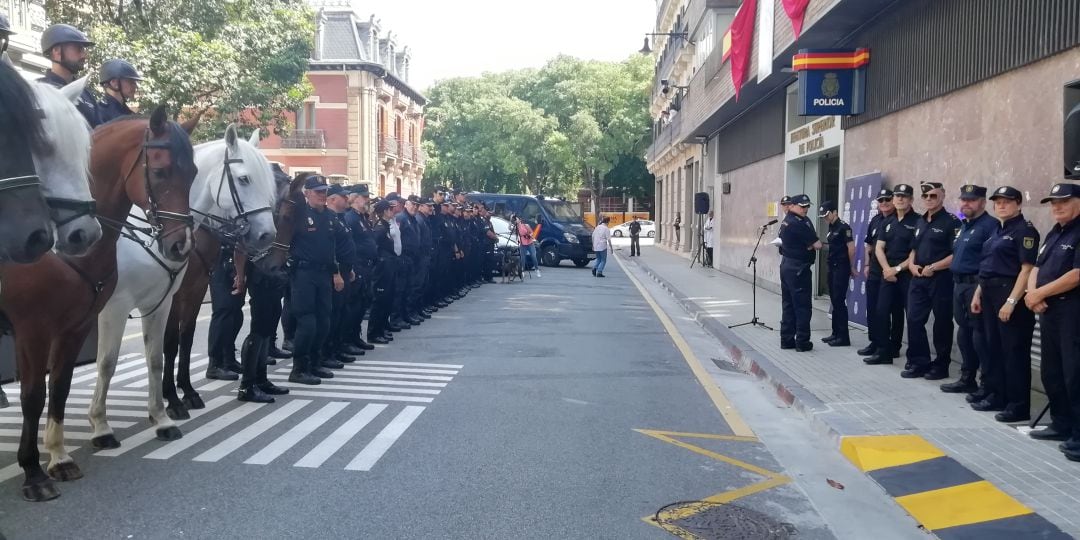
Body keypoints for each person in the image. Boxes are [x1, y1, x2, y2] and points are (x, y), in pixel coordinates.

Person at [970, 185, 1038, 423]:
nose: (1001, 205)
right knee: (993, 348)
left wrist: (1011, 301)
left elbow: (1027, 269)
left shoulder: (1025, 231)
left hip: (1010, 294)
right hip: (989, 292)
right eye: (997, 201)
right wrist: (978, 292)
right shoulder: (996, 231)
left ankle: (1018, 405)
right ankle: (997, 395)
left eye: (1006, 201)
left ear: (1018, 203)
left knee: (1014, 352)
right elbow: (987, 267)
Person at [1024, 183, 1080, 459]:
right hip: (1049, 311)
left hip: (1072, 312)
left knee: (1075, 374)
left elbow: (1076, 275)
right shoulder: (1054, 232)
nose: (1056, 207)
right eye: (1052, 202)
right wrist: (1032, 293)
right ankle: (1061, 423)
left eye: (1063, 201)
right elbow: (1037, 266)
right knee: (1052, 372)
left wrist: (1039, 293)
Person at [902, 182, 961, 379]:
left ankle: (941, 365)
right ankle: (919, 361)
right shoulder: (920, 221)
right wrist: (911, 264)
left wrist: (933, 267)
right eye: (925, 196)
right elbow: (914, 248)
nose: (929, 199)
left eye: (933, 196)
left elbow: (956, 254)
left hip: (941, 279)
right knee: (913, 319)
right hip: (918, 278)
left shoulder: (952, 222)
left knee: (942, 322)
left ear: (942, 196)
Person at [941, 185, 996, 395]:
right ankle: (967, 378)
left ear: (982, 202)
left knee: (980, 337)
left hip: (976, 287)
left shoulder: (990, 226)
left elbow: (989, 261)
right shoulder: (964, 225)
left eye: (971, 200)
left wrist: (979, 289)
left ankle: (987, 383)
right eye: (964, 199)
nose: (966, 204)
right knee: (964, 335)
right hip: (959, 285)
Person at [287, 175, 341, 385]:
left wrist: (336, 272)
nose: (322, 195)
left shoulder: (329, 216)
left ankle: (315, 363)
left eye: (324, 191)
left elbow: (331, 248)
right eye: (317, 191)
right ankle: (299, 368)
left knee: (323, 321)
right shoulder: (299, 215)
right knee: (307, 322)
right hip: (303, 274)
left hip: (323, 274)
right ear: (307, 193)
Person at [865, 184, 919, 366]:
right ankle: (883, 352)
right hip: (886, 273)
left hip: (906, 275)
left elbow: (915, 252)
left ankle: (912, 356)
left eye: (904, 196)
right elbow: (878, 248)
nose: (900, 199)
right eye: (897, 196)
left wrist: (896, 270)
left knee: (909, 316)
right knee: (881, 311)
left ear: (911, 199)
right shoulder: (887, 221)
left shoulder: (918, 221)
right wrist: (887, 269)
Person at [778, 194, 821, 351]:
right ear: (792, 206)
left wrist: (808, 245)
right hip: (798, 269)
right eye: (802, 206)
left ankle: (787, 339)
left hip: (787, 266)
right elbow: (817, 245)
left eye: (807, 206)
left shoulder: (787, 221)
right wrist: (809, 246)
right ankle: (802, 342)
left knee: (788, 304)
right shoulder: (798, 223)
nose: (805, 209)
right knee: (802, 306)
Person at [38, 23, 100, 128]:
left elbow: (100, 132)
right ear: (56, 51)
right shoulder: (39, 90)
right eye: (78, 49)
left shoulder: (86, 94)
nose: (84, 55)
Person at [859, 188, 897, 357]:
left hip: (893, 271)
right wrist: (867, 265)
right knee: (873, 308)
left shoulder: (899, 219)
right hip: (874, 270)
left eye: (887, 199)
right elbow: (869, 244)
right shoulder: (875, 220)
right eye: (880, 200)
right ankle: (875, 342)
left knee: (893, 310)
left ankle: (893, 345)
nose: (884, 203)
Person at [343, 185, 378, 350]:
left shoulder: (362, 217)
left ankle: (355, 336)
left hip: (367, 266)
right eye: (364, 197)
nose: (367, 200)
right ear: (355, 198)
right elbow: (350, 244)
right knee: (354, 304)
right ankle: (348, 338)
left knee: (363, 302)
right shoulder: (350, 218)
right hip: (358, 265)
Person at [205, 244, 246, 381]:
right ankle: (214, 364)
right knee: (223, 311)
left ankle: (229, 359)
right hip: (220, 260)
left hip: (236, 260)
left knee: (236, 312)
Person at [820, 201, 855, 347]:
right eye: (823, 216)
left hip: (841, 267)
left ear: (835, 212)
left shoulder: (844, 227)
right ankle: (835, 333)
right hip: (832, 266)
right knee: (834, 301)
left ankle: (843, 337)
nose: (825, 218)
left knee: (839, 302)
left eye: (827, 215)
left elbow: (851, 248)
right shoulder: (831, 226)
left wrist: (850, 266)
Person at [369, 199, 400, 344]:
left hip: (389, 267)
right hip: (382, 269)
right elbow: (374, 248)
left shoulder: (386, 226)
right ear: (385, 211)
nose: (392, 211)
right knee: (380, 301)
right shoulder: (380, 228)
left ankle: (381, 329)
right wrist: (380, 262)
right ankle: (374, 332)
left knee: (387, 299)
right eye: (389, 209)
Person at [97, 59, 142, 123]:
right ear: (114, 82)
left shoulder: (128, 113)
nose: (135, 86)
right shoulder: (99, 112)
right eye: (130, 81)